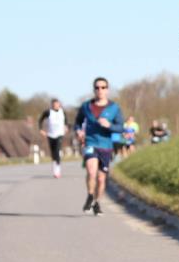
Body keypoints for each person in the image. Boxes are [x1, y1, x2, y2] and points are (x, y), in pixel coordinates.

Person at [73, 77, 125, 216]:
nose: (100, 90)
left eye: (103, 87)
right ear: (94, 90)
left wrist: (109, 125)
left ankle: (97, 202)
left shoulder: (114, 108)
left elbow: (121, 127)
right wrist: (78, 131)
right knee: (91, 172)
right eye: (97, 87)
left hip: (106, 146)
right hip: (90, 142)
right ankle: (90, 195)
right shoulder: (86, 106)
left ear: (107, 90)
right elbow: (77, 122)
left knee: (101, 179)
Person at [37, 98, 67, 178]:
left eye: (57, 104)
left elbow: (66, 121)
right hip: (50, 134)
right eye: (54, 105)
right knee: (53, 152)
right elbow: (40, 120)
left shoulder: (62, 112)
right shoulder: (48, 112)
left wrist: (66, 126)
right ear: (52, 105)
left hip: (59, 134)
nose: (55, 106)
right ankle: (55, 167)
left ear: (59, 104)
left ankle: (57, 169)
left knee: (57, 150)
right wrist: (41, 130)